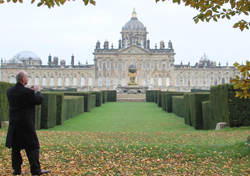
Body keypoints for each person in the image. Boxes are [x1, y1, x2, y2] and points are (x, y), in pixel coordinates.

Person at [5, 70, 50, 175]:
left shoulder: (10, 91)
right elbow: (38, 100)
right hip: (25, 124)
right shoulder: (27, 92)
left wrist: (28, 91)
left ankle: (16, 170)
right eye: (27, 77)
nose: (28, 79)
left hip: (14, 124)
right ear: (23, 79)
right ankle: (35, 170)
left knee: (16, 148)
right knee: (33, 146)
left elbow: (21, 96)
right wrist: (38, 91)